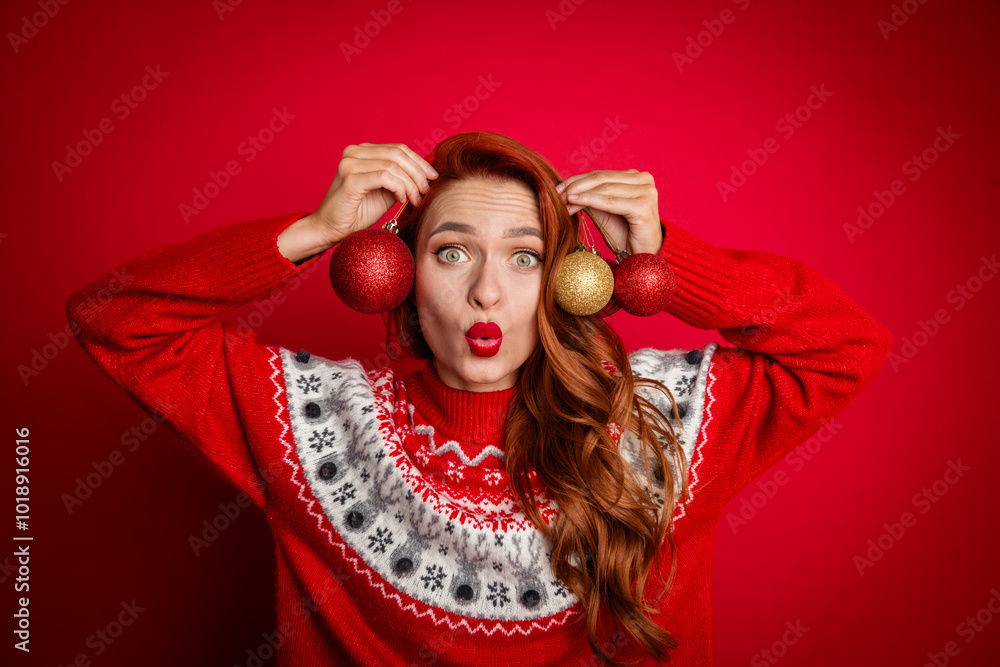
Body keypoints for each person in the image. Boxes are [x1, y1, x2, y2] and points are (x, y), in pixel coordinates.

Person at [66, 131, 892, 666]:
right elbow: (117, 318)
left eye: (526, 257)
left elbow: (845, 344)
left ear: (572, 284)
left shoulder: (667, 421)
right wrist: (311, 232)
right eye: (453, 252)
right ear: (395, 273)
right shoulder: (309, 422)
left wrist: (673, 259)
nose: (488, 291)